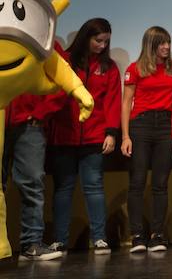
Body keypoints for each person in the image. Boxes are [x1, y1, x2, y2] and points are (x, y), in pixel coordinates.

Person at [48, 18, 120, 254]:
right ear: (86, 37)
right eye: (98, 40)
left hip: (94, 136)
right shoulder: (66, 61)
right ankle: (59, 240)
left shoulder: (109, 67)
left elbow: (111, 102)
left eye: (106, 41)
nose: (102, 45)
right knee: (63, 189)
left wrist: (111, 132)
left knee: (94, 187)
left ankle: (99, 238)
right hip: (65, 135)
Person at [121, 26, 172, 252]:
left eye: (168, 42)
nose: (166, 47)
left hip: (166, 127)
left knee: (160, 184)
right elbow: (126, 102)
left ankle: (157, 234)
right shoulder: (135, 69)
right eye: (161, 43)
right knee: (137, 182)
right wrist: (125, 136)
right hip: (141, 126)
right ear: (151, 45)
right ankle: (137, 235)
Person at [3, 92, 66, 260]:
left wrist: (41, 112)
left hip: (29, 124)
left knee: (32, 183)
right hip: (2, 119)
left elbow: (61, 81)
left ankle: (31, 244)